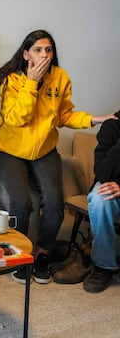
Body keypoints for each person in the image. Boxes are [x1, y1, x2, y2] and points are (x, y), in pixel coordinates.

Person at [0, 29, 117, 285]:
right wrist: (31, 83)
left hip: (44, 151)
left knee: (56, 205)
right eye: (37, 50)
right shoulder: (10, 81)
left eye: (48, 50)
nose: (44, 55)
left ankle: (42, 254)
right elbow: (17, 119)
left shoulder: (59, 77)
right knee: (22, 204)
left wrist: (97, 119)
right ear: (25, 54)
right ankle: (18, 254)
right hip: (10, 152)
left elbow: (64, 115)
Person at [83, 109, 120, 293]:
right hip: (111, 188)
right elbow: (104, 173)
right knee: (100, 198)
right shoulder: (112, 127)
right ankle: (103, 266)